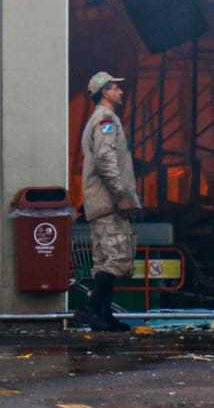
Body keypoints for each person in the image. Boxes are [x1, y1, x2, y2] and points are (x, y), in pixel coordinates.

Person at [76, 70, 140, 331]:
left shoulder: (97, 120)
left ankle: (103, 316)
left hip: (99, 203)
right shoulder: (106, 120)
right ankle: (91, 310)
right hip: (109, 204)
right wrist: (122, 195)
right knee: (116, 260)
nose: (121, 91)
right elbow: (106, 160)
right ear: (104, 91)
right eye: (116, 87)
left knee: (105, 262)